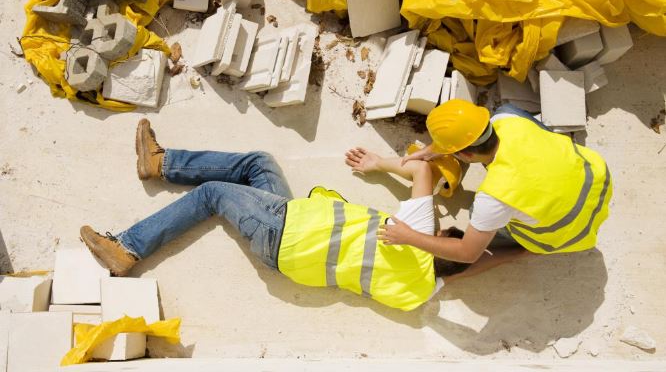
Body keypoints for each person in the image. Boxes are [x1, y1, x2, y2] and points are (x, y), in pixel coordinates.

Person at [80, 119, 522, 312]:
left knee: (214, 193)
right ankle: (160, 163)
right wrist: (527, 252)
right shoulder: (421, 291)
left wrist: (380, 162)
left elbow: (423, 168)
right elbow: (470, 262)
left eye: (448, 227)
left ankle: (128, 247)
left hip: (285, 229)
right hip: (292, 250)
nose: (446, 223)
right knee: (259, 164)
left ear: (440, 234)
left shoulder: (418, 229)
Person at [381, 99, 612, 265]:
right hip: (596, 183)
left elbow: (467, 253)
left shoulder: (494, 197)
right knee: (511, 109)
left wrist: (408, 237)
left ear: (466, 156)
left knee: (477, 214)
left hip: (567, 233)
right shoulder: (508, 118)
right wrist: (434, 150)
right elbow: (471, 135)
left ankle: (522, 247)